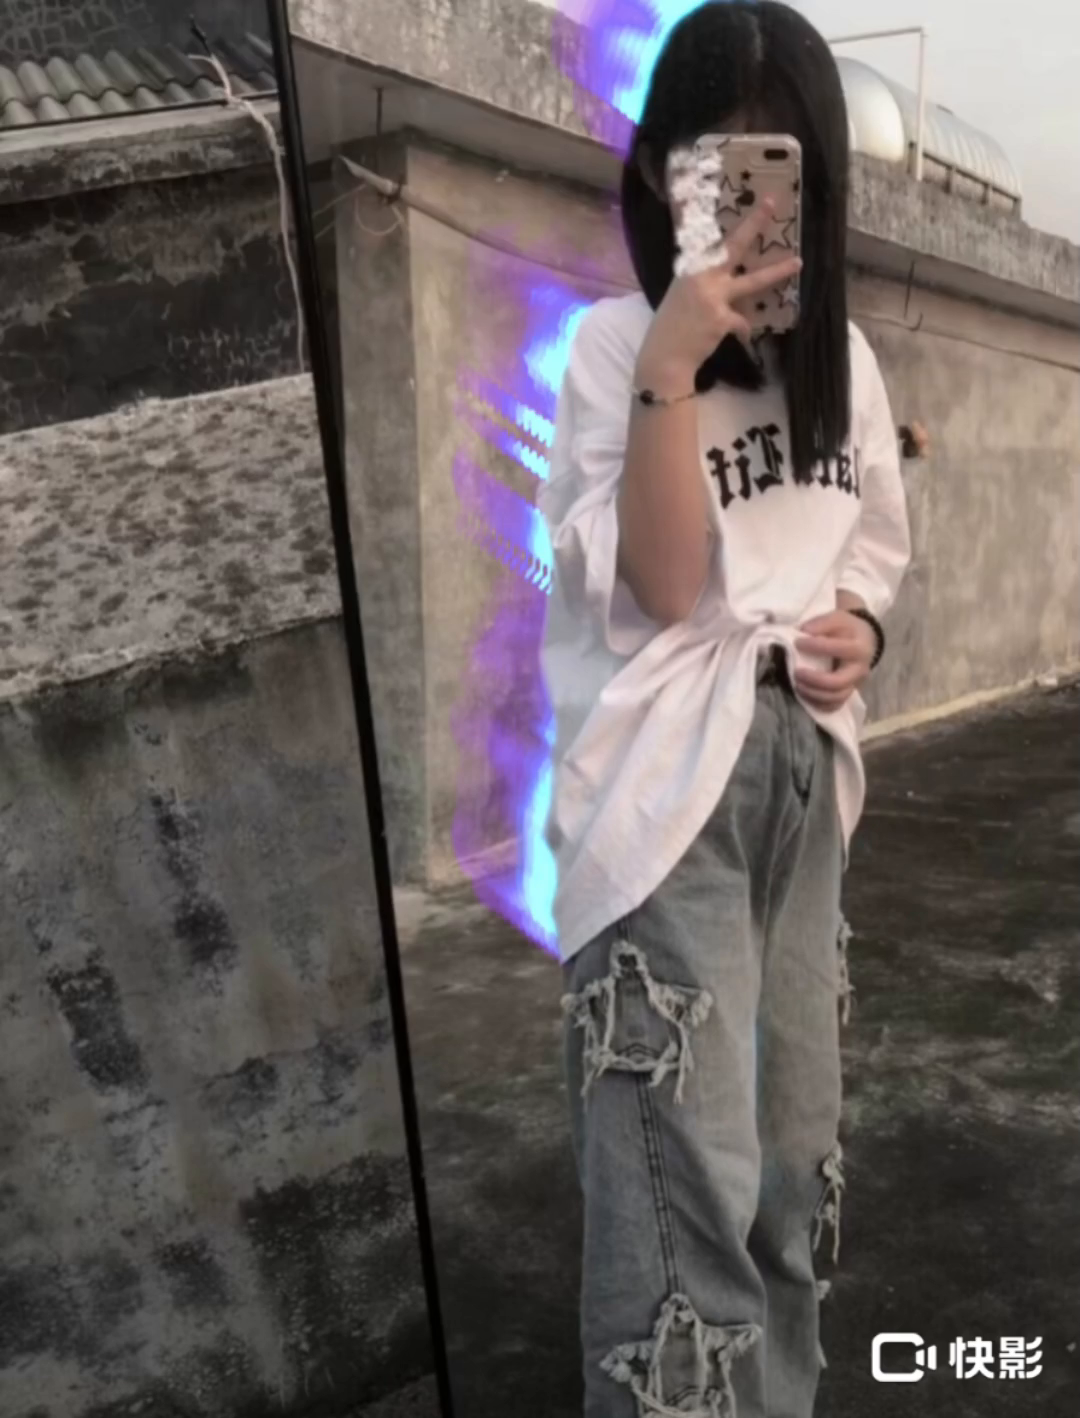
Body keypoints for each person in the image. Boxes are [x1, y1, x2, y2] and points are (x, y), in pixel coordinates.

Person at [537, 4, 912, 1416]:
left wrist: (860, 627)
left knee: (789, 1176)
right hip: (665, 794)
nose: (755, 212)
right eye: (720, 171)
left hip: (802, 784)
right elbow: (664, 580)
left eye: (782, 172)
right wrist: (672, 366)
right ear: (658, 176)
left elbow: (870, 549)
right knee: (683, 1203)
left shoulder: (847, 365)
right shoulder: (611, 349)